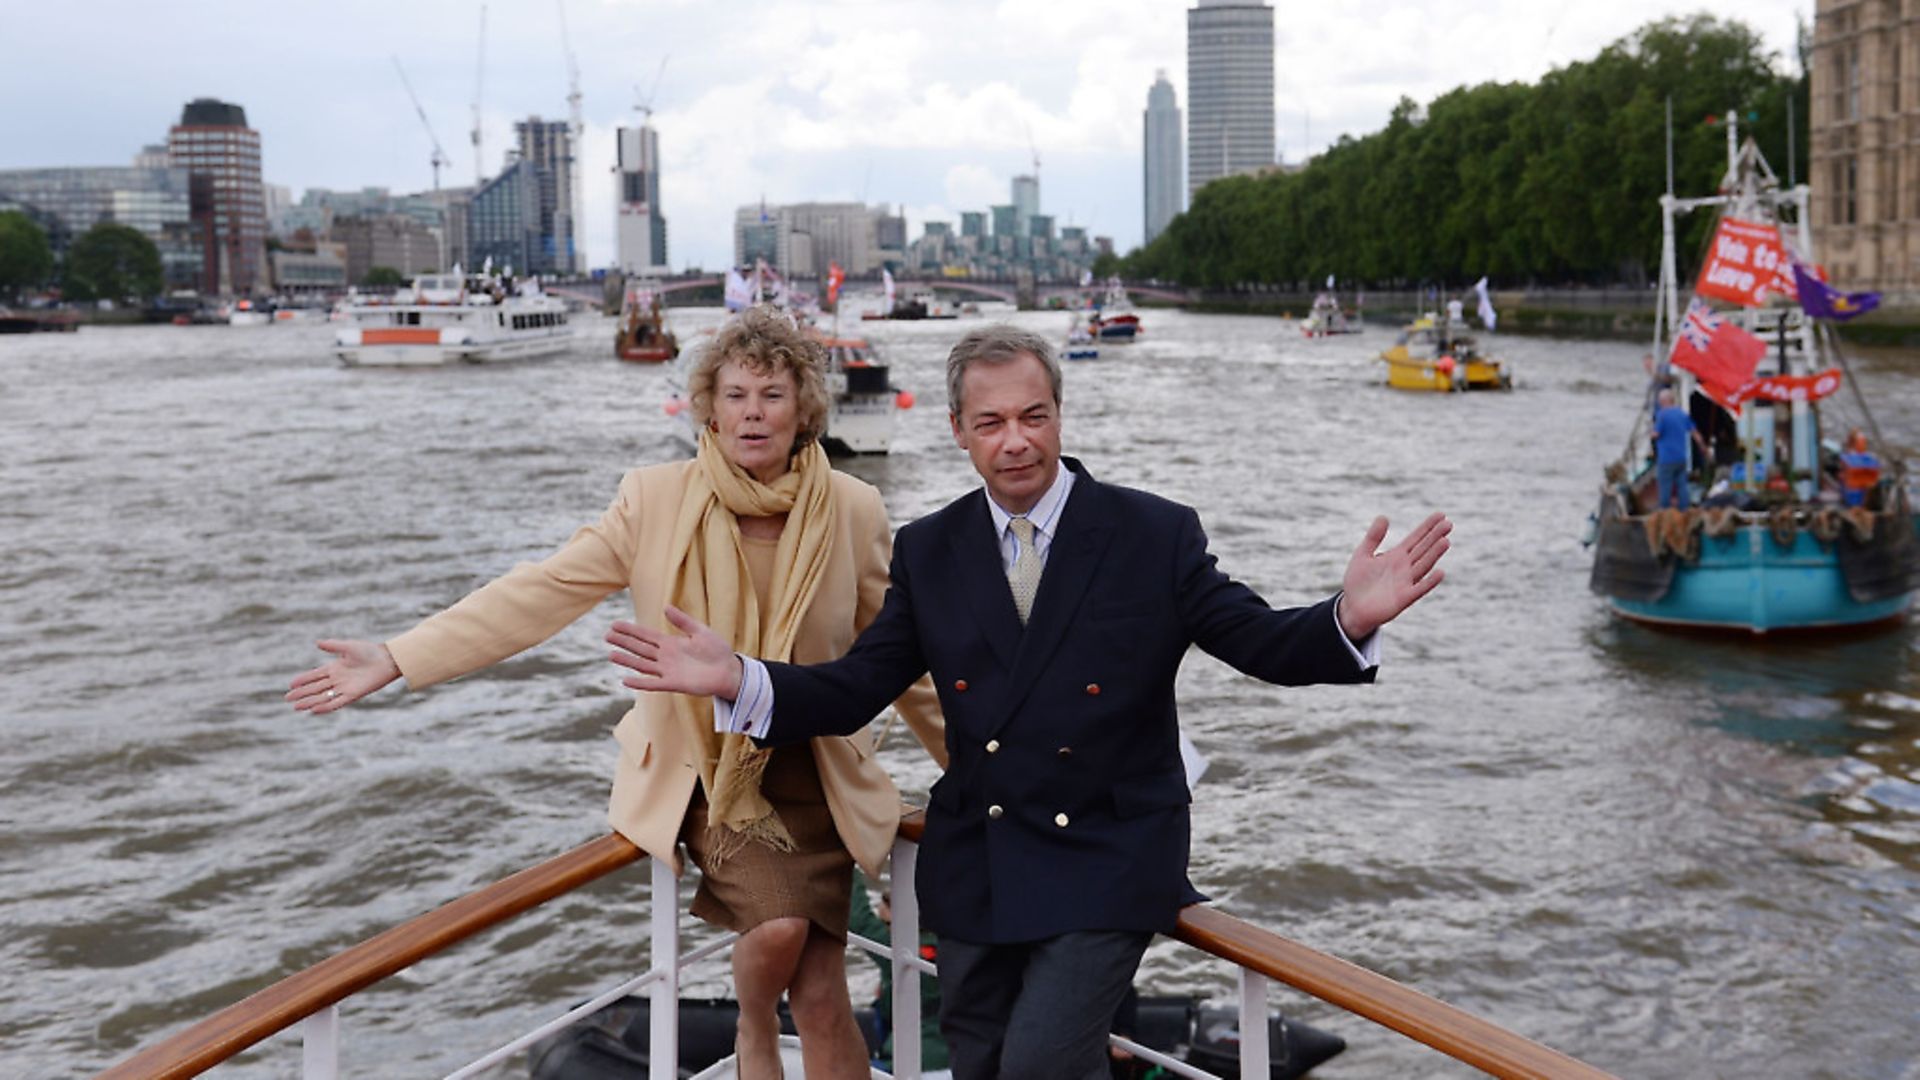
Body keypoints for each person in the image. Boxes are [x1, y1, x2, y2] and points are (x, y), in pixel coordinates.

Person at [606, 324, 1450, 1080]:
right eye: (992, 423)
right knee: (979, 1064)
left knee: (1044, 1061)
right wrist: (739, 679)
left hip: (1109, 855)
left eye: (1033, 416)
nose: (1016, 442)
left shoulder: (1152, 534)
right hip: (982, 859)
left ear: (1058, 414)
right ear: (959, 434)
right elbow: (859, 684)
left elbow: (1257, 639)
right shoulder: (931, 550)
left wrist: (1346, 619)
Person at [286, 306, 943, 1080]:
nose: (752, 413)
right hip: (713, 775)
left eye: (771, 395)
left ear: (804, 408)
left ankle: (764, 1027)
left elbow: (905, 661)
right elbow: (543, 591)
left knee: (826, 996)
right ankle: (756, 1022)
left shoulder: (853, 509)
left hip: (816, 768)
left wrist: (977, 758)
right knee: (779, 934)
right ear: (708, 406)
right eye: (735, 395)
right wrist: (399, 657)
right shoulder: (654, 499)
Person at [1651, 388, 1709, 509]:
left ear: (1664, 401)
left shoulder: (1662, 415)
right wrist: (1703, 448)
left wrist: (1651, 432)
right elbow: (1695, 434)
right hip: (1681, 458)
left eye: (1660, 401)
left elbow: (1656, 435)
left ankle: (1665, 512)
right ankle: (1684, 511)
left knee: (1665, 487)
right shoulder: (1682, 414)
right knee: (1682, 486)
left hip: (1666, 459)